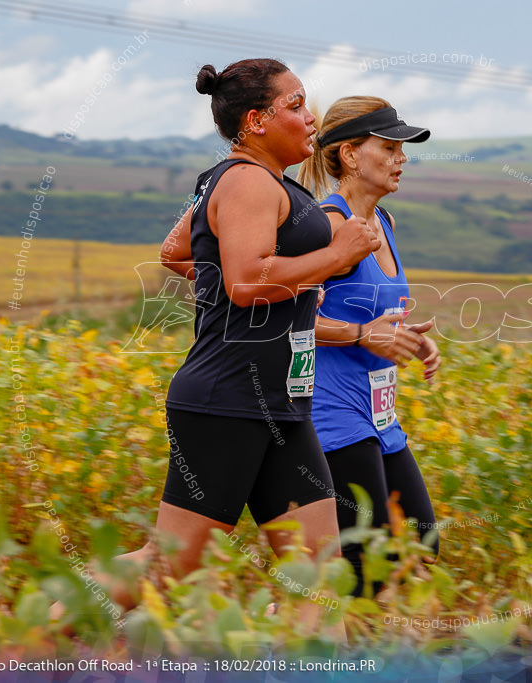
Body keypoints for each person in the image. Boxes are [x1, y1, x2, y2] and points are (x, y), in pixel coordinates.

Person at [97, 59, 381, 614]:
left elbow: (178, 253)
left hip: (282, 405)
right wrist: (333, 257)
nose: (311, 119)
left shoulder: (242, 179)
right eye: (295, 106)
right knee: (171, 568)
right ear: (255, 120)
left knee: (318, 573)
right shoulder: (247, 180)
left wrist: (296, 287)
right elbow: (248, 281)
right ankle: (33, 642)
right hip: (228, 401)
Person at [297, 97, 440, 596]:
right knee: (365, 564)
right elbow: (286, 315)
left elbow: (376, 314)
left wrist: (409, 341)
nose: (401, 158)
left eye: (403, 149)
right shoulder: (327, 226)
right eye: (390, 147)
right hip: (333, 411)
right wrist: (361, 334)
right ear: (352, 155)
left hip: (380, 412)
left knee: (422, 544)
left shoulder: (387, 225)